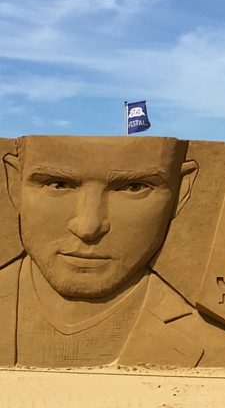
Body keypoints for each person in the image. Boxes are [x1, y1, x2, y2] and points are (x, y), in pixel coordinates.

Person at [0, 135, 204, 367]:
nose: (88, 227)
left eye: (133, 187)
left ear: (181, 190)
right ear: (15, 183)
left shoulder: (206, 333)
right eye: (59, 184)